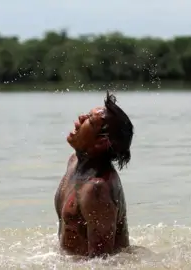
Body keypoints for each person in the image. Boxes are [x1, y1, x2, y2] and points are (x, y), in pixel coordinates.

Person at [54, 90, 134, 258]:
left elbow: (102, 264)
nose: (81, 118)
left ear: (101, 142)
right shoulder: (74, 161)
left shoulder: (97, 189)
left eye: (89, 120)